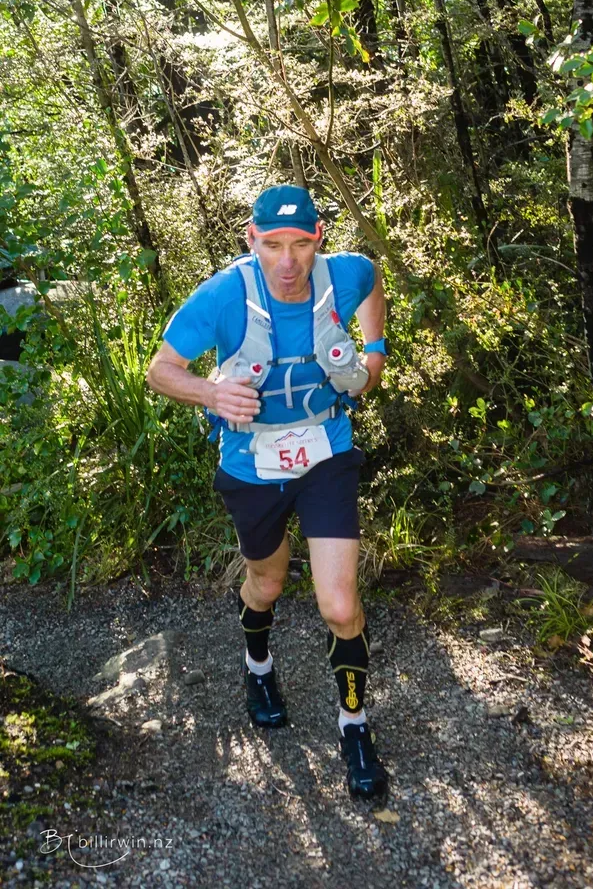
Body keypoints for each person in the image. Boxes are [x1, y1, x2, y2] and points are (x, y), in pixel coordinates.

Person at [146, 184, 390, 800]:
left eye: (300, 244)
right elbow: (159, 371)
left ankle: (354, 724)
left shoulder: (346, 275)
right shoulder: (227, 294)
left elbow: (374, 281)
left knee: (339, 604)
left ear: (318, 240)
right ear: (251, 239)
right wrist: (209, 392)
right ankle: (258, 669)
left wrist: (376, 352)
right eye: (273, 244)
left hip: (325, 452)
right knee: (269, 581)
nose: (287, 262)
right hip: (252, 463)